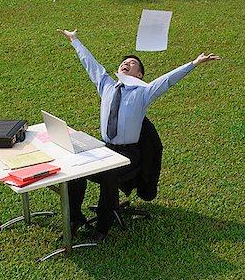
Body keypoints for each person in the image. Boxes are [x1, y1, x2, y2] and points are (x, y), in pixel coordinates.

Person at [58, 28, 221, 242]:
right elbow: (91, 65)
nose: (126, 63)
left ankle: (103, 227)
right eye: (124, 62)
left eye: (132, 63)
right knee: (76, 169)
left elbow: (168, 80)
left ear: (139, 75)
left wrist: (194, 63)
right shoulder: (106, 85)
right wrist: (75, 40)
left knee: (108, 174)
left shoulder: (144, 92)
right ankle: (75, 218)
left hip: (128, 154)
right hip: (106, 148)